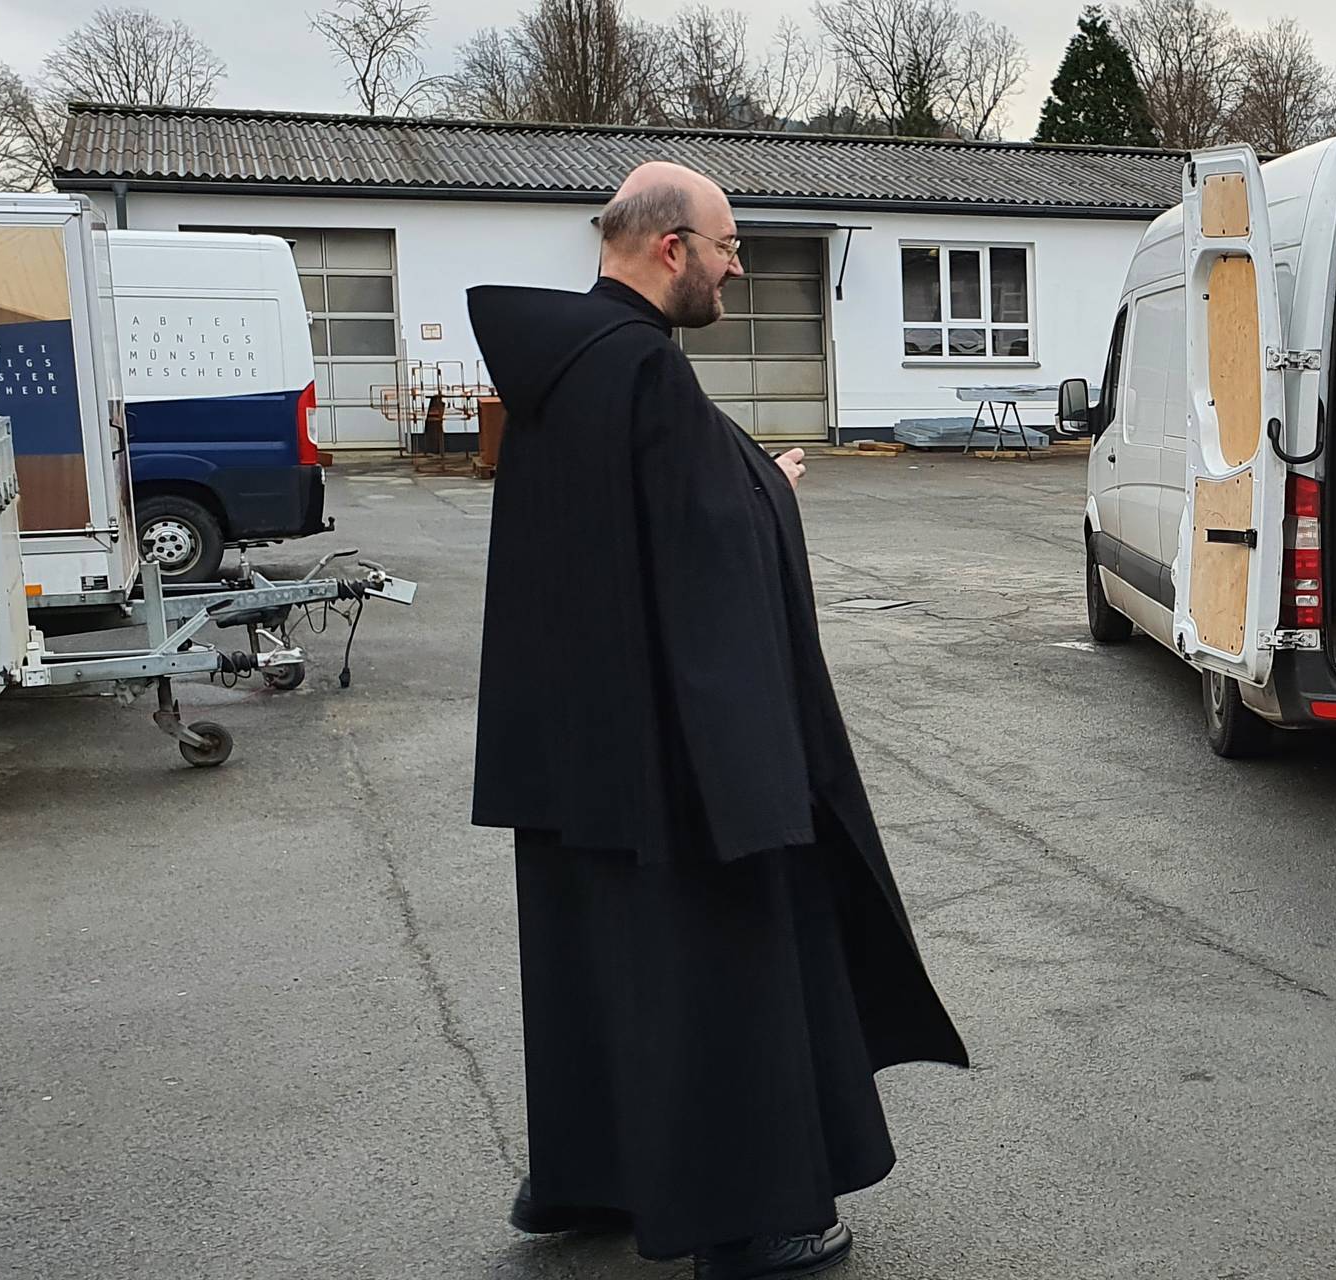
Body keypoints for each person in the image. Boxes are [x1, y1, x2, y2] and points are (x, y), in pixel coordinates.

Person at [465, 162, 968, 1280]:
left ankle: (586, 1179)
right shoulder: (641, 371)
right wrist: (771, 498)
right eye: (729, 244)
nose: (739, 265)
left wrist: (743, 483)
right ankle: (747, 1223)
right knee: (719, 974)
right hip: (679, 765)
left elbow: (632, 533)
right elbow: (706, 563)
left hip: (575, 753)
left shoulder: (563, 371)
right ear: (667, 248)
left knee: (598, 974)